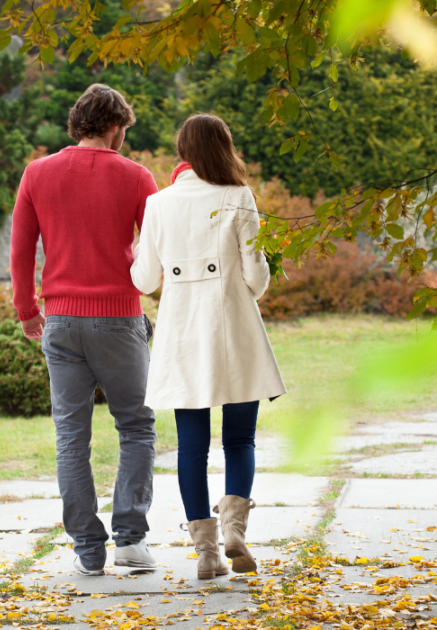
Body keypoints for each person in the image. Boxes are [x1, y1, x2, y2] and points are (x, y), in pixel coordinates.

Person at [10, 84, 160, 576]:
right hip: (118, 318)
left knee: (71, 436)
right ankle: (131, 540)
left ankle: (87, 550)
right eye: (124, 131)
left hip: (60, 320)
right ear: (116, 126)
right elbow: (155, 251)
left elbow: (21, 249)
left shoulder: (37, 173)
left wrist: (27, 309)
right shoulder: (137, 177)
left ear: (78, 124)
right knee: (135, 426)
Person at [129, 113, 287, 579]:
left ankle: (206, 553)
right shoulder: (239, 197)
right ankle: (235, 530)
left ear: (183, 151)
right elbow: (257, 280)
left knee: (191, 448)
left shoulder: (158, 204)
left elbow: (143, 280)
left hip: (182, 334)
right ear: (225, 148)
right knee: (240, 439)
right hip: (233, 328)